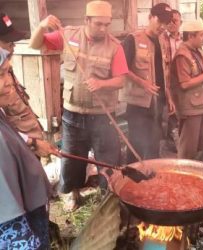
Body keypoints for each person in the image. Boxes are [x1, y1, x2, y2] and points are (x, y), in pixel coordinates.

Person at [29, 0, 128, 211]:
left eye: (106, 24)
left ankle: (106, 197)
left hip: (103, 116)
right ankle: (70, 194)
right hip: (73, 114)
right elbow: (35, 45)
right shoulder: (69, 35)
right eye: (98, 24)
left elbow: (120, 80)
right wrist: (41, 26)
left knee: (107, 161)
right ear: (86, 20)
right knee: (71, 159)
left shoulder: (115, 47)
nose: (103, 29)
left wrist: (102, 83)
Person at [0, 48, 51, 250]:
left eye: (8, 72)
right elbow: (8, 217)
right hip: (21, 234)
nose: (8, 81)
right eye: (0, 74)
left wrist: (32, 143)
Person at [122, 3, 175, 163]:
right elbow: (121, 68)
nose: (163, 27)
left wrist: (169, 97)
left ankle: (149, 178)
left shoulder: (163, 42)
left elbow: (164, 73)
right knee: (136, 145)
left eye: (166, 23)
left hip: (157, 103)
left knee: (153, 143)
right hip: (138, 104)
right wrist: (143, 83)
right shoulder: (133, 39)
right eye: (160, 21)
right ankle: (132, 177)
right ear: (150, 17)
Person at [0, 12, 57, 157]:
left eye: (13, 43)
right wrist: (33, 143)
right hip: (14, 153)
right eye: (8, 43)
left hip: (26, 148)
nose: (13, 48)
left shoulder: (7, 70)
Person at [170, 20, 203, 159]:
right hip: (191, 107)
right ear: (191, 36)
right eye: (201, 35)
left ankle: (195, 173)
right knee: (188, 147)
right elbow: (184, 83)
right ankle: (182, 175)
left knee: (199, 145)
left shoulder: (198, 51)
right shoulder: (182, 55)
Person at [159, 9, 183, 152]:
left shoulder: (185, 39)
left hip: (180, 81)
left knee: (178, 111)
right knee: (165, 112)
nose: (172, 23)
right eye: (170, 20)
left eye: (176, 21)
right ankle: (165, 141)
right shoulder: (160, 38)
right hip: (165, 80)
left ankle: (174, 139)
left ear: (180, 23)